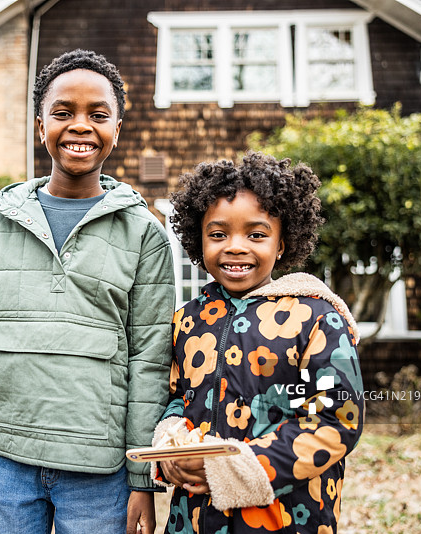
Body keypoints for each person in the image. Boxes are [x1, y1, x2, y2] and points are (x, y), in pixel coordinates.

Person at [0, 49, 175, 534]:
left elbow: (149, 361)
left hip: (98, 467)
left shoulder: (143, 233)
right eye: (63, 113)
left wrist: (142, 481)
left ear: (117, 129)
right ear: (40, 127)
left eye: (98, 115)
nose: (80, 126)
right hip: (7, 456)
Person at [152, 152, 364, 533]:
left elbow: (334, 419)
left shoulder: (314, 318)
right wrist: (170, 445)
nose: (235, 246)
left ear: (282, 244)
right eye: (218, 234)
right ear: (198, 241)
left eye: (256, 234)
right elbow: (176, 397)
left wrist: (231, 469)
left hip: (285, 518)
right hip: (194, 519)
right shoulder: (187, 320)